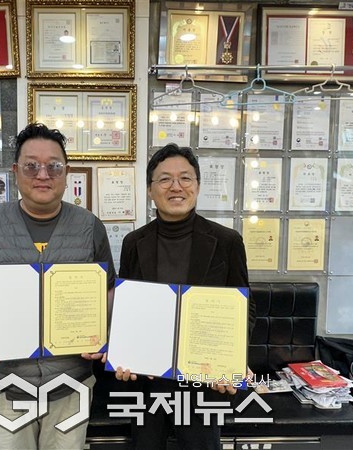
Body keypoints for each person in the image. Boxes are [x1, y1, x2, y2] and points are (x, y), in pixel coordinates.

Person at [0, 122, 115, 450]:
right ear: (15, 171)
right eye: (31, 166)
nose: (43, 175)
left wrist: (102, 329)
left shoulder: (90, 227)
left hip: (71, 384)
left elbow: (107, 288)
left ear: (66, 172)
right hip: (5, 385)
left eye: (54, 166)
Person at [114, 143, 256, 449]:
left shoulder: (227, 241)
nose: (176, 187)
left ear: (198, 186)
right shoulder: (134, 242)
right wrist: (122, 355)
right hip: (148, 380)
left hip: (205, 379)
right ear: (150, 190)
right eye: (165, 179)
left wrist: (233, 361)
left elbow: (245, 309)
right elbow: (128, 310)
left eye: (185, 178)